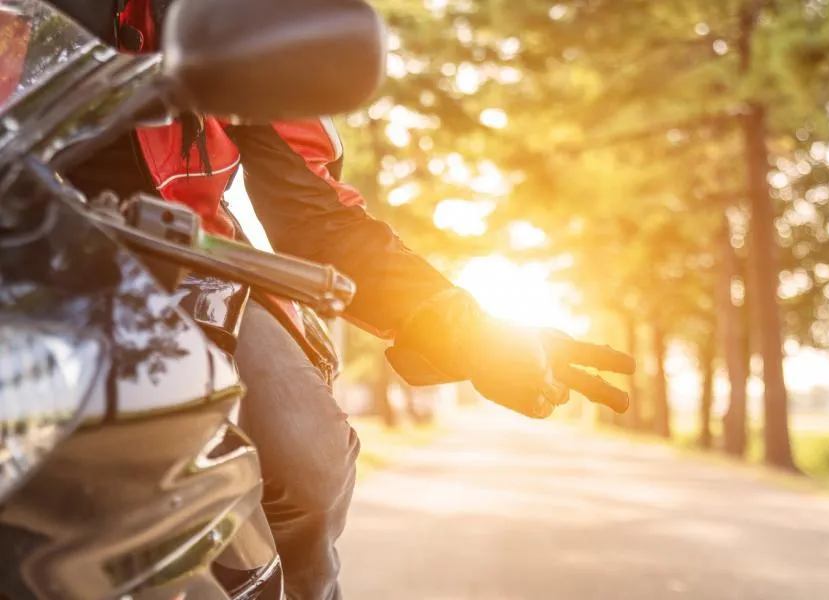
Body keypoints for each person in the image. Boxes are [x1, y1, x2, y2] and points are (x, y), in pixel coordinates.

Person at [51, 0, 637, 597]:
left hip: (175, 264)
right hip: (19, 257)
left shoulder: (228, 11)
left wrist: (475, 335)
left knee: (306, 461)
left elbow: (314, 217)